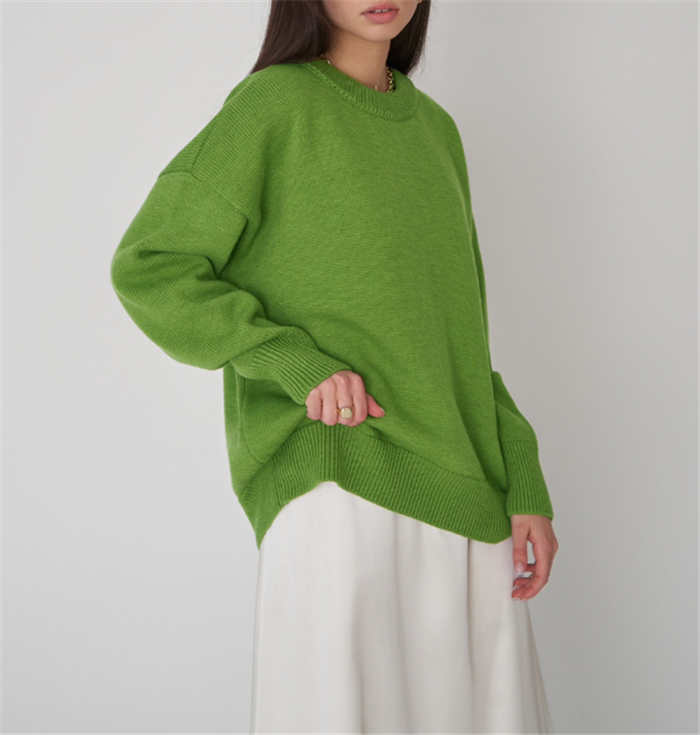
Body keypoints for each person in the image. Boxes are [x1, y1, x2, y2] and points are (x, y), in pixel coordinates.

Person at [111, 0, 560, 731]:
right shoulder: (274, 106)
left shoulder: (437, 131)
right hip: (339, 477)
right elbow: (152, 265)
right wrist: (293, 362)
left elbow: (459, 334)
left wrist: (522, 473)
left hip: (465, 485)